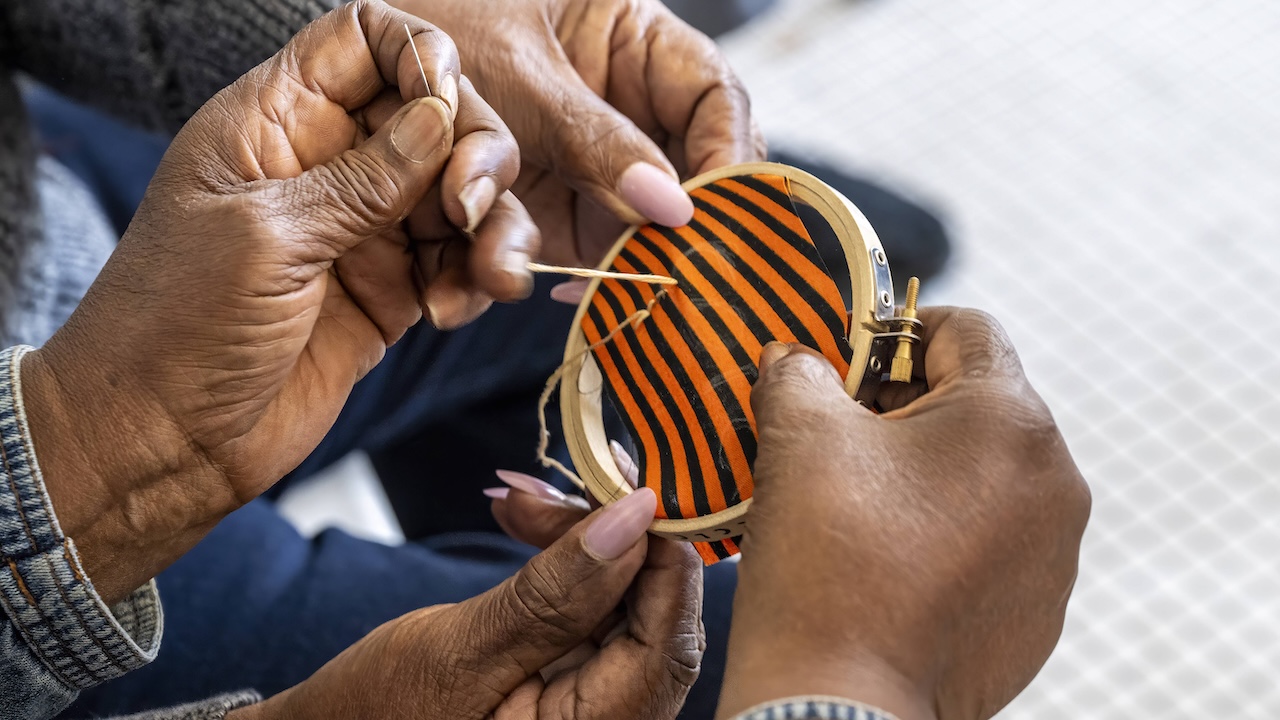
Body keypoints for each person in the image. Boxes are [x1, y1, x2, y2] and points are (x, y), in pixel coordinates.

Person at [0, 2, 1088, 719]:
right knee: (713, 658)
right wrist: (856, 681)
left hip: (68, 221)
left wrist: (380, 43)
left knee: (835, 255)